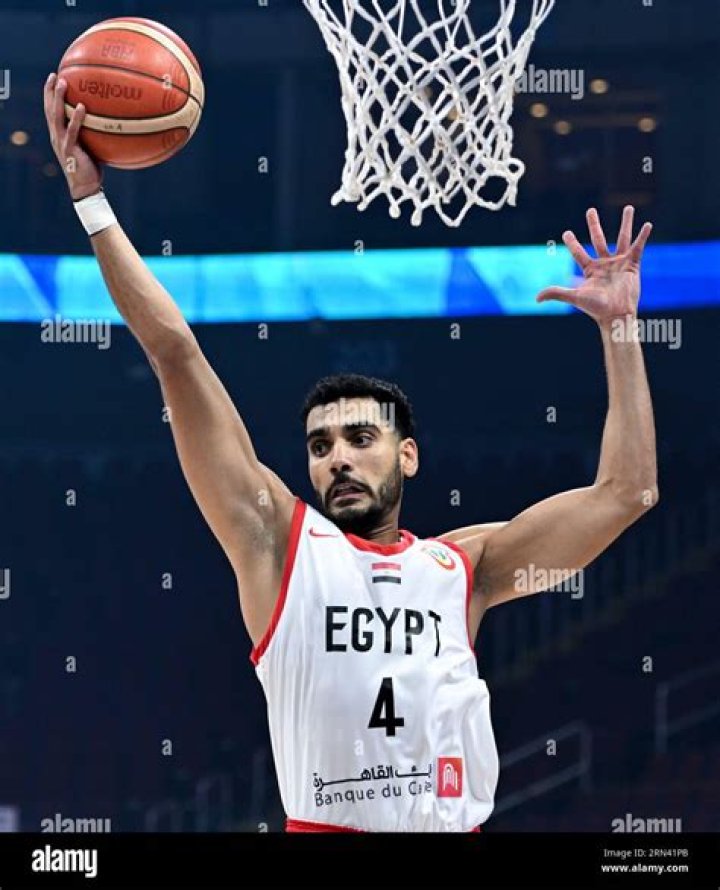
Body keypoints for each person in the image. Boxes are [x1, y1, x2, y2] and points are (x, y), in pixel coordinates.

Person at [44, 72, 658, 833]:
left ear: (408, 457)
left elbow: (627, 492)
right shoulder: (278, 545)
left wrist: (621, 330)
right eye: (320, 444)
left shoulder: (465, 569)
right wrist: (92, 203)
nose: (337, 457)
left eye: (361, 439)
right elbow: (176, 353)